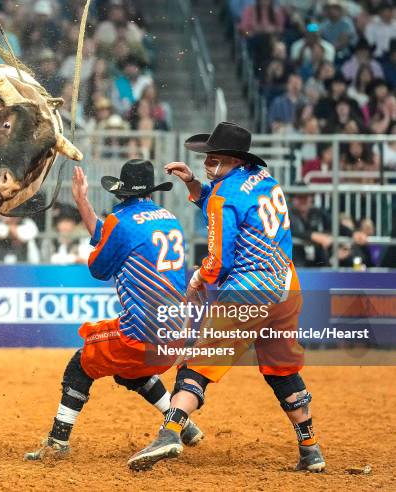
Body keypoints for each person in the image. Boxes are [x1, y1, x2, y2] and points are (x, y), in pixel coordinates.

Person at [128, 122, 325, 473]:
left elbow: (219, 260)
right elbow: (232, 208)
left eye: (213, 158)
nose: (206, 163)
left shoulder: (222, 195)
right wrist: (193, 184)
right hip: (285, 283)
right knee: (282, 369)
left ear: (233, 159)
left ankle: (170, 433)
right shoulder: (265, 180)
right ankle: (310, 449)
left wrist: (198, 277)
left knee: (197, 361)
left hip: (250, 287)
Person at [25, 160, 203, 461]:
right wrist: (83, 203)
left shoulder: (121, 222)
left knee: (80, 363)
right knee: (128, 372)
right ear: (150, 192)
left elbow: (98, 267)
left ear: (122, 192)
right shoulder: (169, 219)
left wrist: (85, 206)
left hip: (142, 334)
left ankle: (57, 442)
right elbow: (109, 236)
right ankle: (183, 424)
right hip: (175, 334)